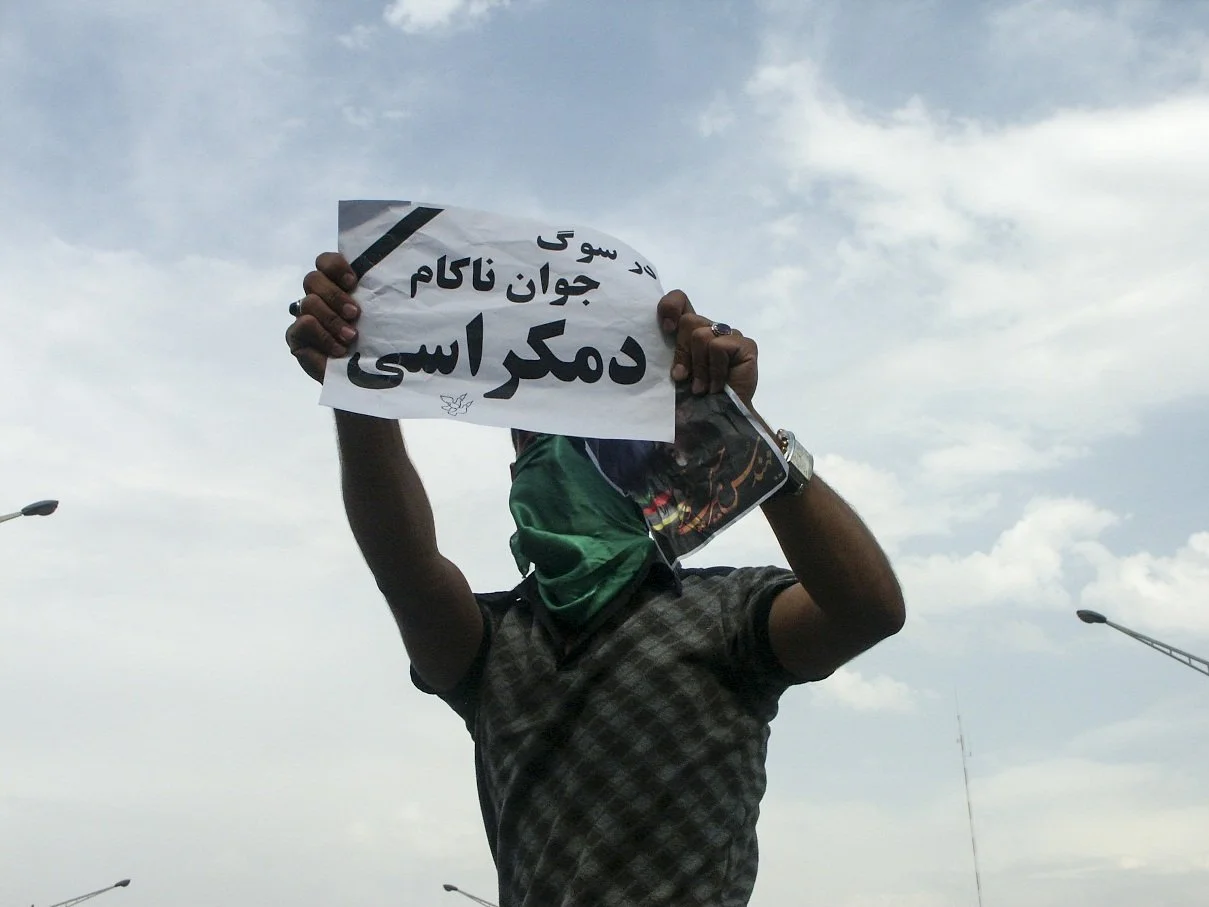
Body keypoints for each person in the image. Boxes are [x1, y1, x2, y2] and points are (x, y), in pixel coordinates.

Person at [286, 252, 905, 907]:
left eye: (585, 432)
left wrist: (737, 428)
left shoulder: (728, 616)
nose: (555, 453)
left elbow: (866, 610)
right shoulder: (489, 649)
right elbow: (404, 567)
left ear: (640, 463)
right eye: (532, 439)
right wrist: (357, 384)